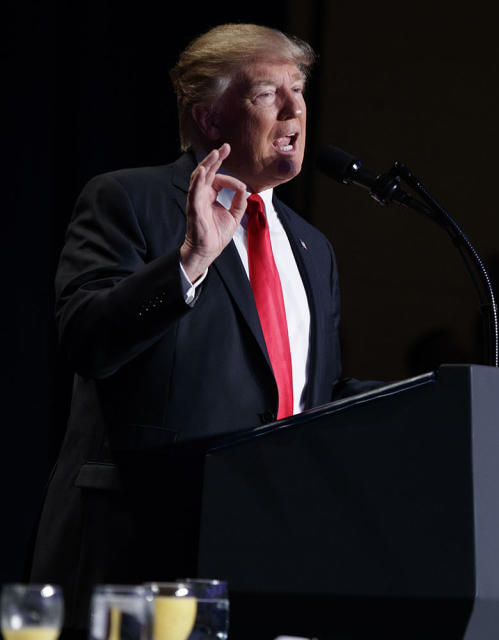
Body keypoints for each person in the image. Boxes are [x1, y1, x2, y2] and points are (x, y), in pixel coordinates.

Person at [31, 24, 367, 634]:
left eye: (299, 90)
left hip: (273, 554)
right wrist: (187, 263)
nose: (296, 109)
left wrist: (430, 400)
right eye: (269, 93)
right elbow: (85, 339)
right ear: (210, 119)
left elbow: (314, 399)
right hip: (145, 557)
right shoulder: (129, 200)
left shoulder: (313, 248)